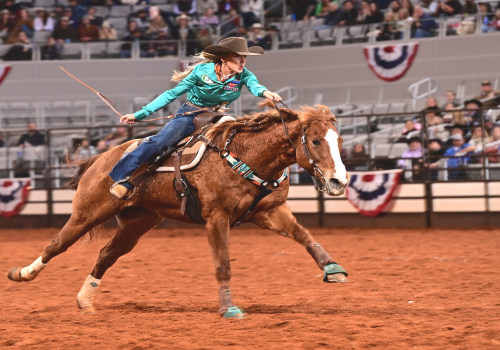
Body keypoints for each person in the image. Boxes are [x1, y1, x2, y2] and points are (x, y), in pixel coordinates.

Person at [108, 37, 282, 199]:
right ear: (223, 58)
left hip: (219, 115)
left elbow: (255, 86)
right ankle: (121, 177)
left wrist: (267, 93)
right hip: (191, 114)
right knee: (160, 142)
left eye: (244, 57)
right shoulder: (201, 71)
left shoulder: (244, 74)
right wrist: (140, 115)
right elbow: (172, 94)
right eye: (237, 57)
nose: (242, 61)